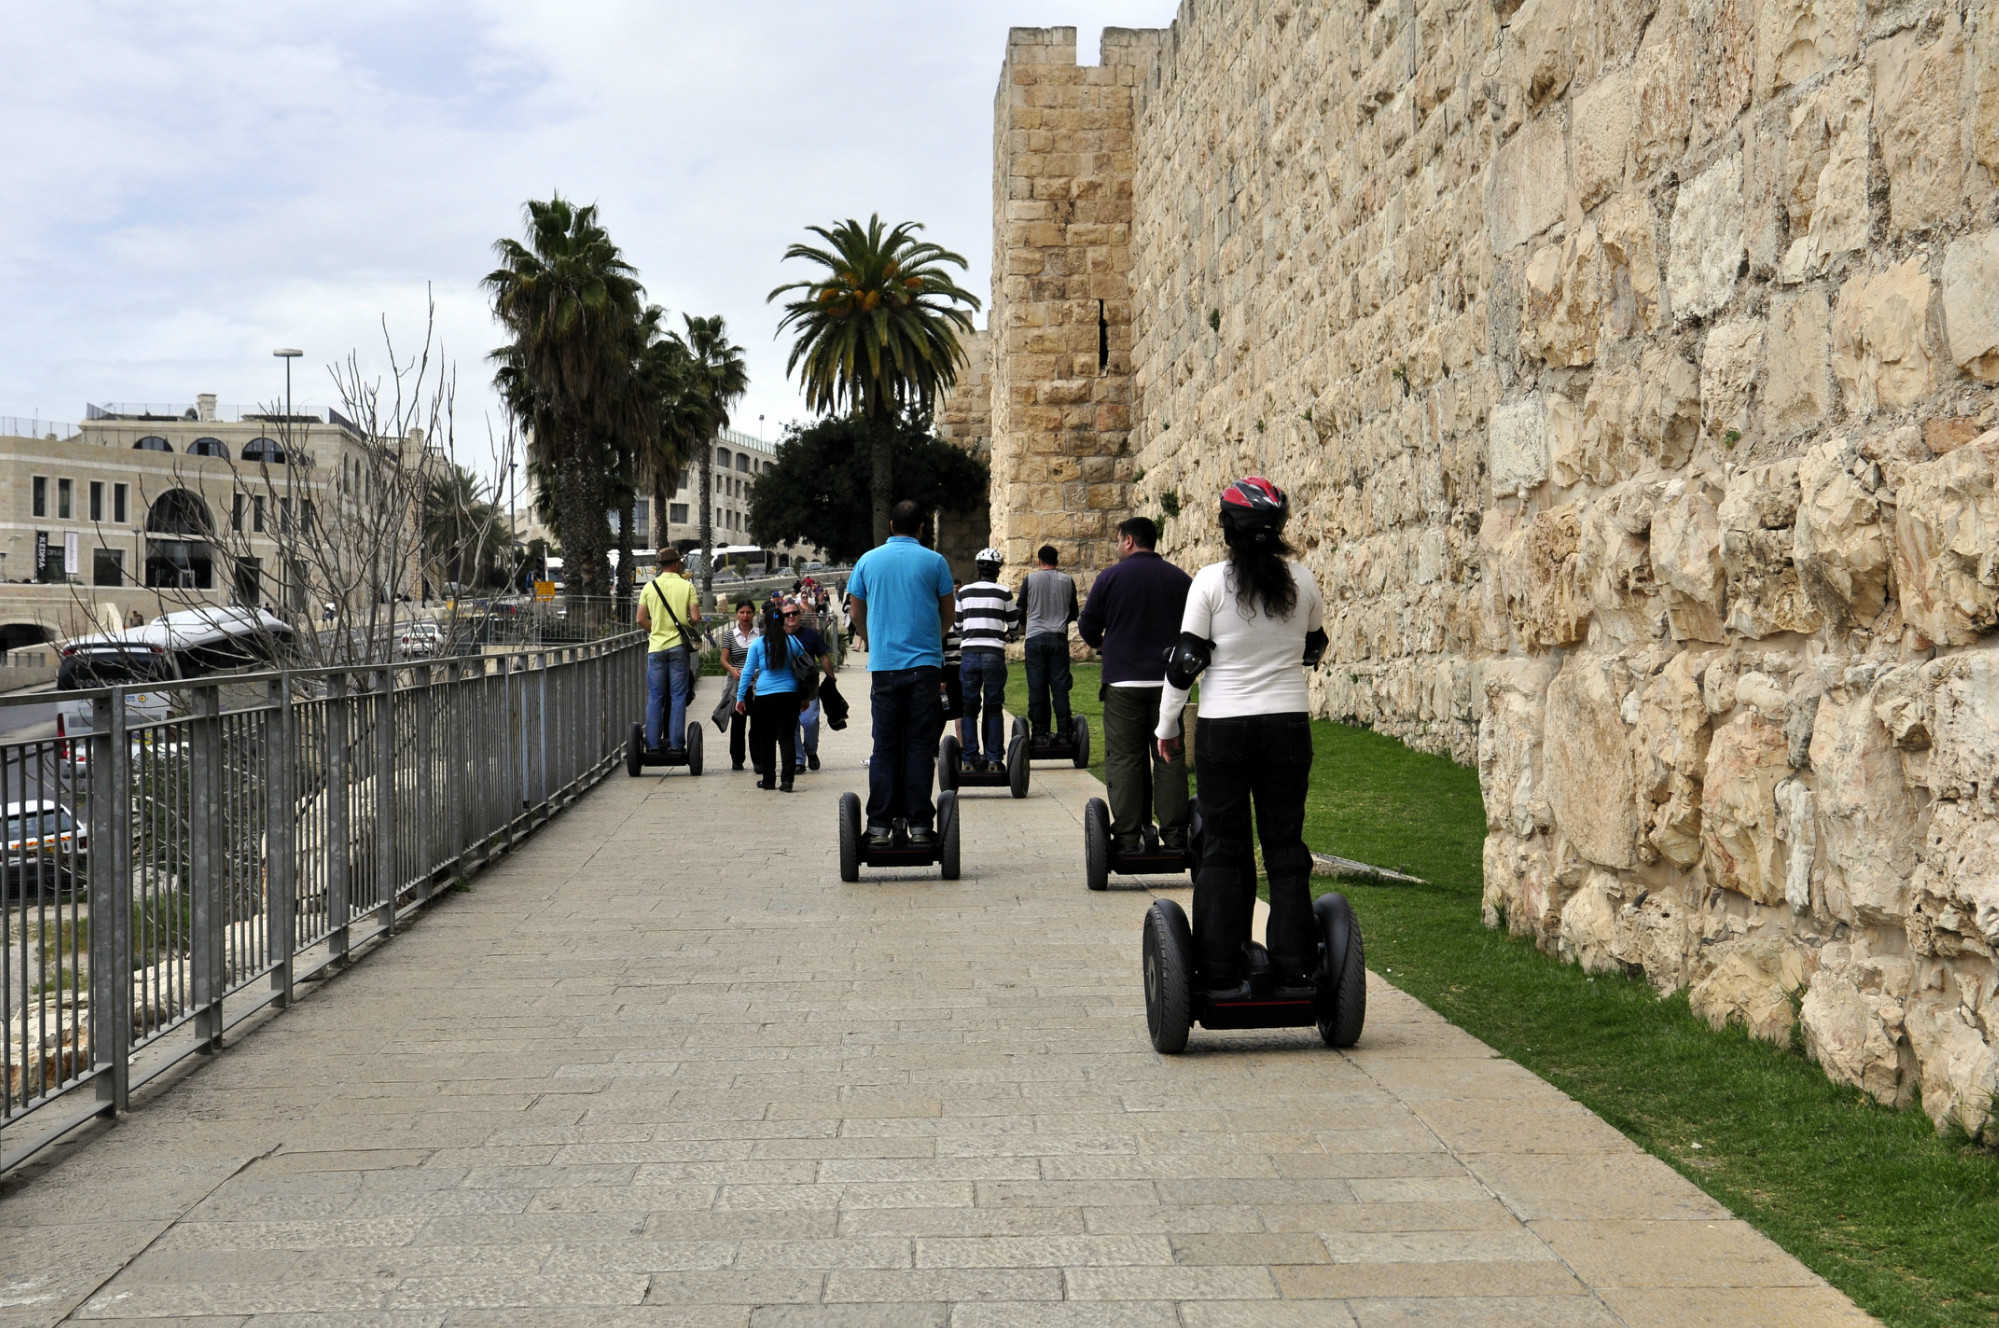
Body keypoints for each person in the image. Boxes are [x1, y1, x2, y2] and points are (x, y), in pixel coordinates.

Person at [1155, 477, 1327, 999]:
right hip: (1288, 726)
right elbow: (1314, 648)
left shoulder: (1208, 582)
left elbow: (1186, 662)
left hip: (1224, 727)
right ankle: (1297, 966)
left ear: (1227, 529)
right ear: (1279, 530)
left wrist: (1166, 726)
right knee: (1285, 846)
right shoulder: (1302, 580)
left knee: (1224, 849)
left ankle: (1220, 968)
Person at [844, 499, 955, 848]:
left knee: (886, 747)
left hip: (885, 667)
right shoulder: (935, 562)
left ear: (891, 525)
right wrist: (927, 641)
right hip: (924, 667)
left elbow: (856, 611)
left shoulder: (868, 561)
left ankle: (878, 825)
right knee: (921, 746)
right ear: (922, 528)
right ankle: (921, 824)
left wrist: (873, 639)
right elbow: (947, 615)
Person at [1078, 516, 1193, 855]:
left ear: (1128, 541)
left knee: (1126, 758)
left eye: (1117, 541)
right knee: (1169, 755)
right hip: (1168, 682)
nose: (1116, 547)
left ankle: (1127, 838)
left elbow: (1087, 627)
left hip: (1123, 681)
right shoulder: (1179, 579)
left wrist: (1104, 646)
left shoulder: (1110, 578)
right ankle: (1175, 837)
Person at [954, 547, 1019, 772]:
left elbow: (957, 626)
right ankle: (993, 759)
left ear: (978, 569)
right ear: (998, 570)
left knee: (969, 707)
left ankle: (969, 759)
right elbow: (1014, 626)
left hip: (970, 654)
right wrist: (1009, 633)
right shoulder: (1004, 593)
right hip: (994, 654)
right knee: (993, 706)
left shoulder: (964, 593)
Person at [636, 546, 703, 755]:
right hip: (677, 648)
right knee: (677, 696)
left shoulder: (649, 587)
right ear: (676, 564)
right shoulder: (687, 586)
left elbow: (640, 619)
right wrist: (684, 625)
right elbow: (696, 618)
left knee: (655, 696)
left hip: (655, 648)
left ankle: (653, 745)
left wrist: (655, 630)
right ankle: (675, 744)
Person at [735, 600, 804, 791]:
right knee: (787, 738)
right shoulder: (792, 642)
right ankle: (788, 780)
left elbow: (748, 672)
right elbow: (806, 666)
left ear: (764, 623)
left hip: (764, 697)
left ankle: (768, 780)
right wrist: (806, 696)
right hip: (790, 695)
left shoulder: (758, 644)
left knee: (766, 739)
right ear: (782, 622)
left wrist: (740, 697)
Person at [1019, 544, 1079, 744]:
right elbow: (1074, 613)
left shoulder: (1030, 580)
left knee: (1037, 686)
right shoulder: (1067, 581)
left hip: (1035, 638)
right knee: (1060, 687)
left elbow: (1020, 609)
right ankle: (1064, 734)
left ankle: (1039, 734)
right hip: (1058, 637)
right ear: (1057, 561)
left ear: (1038, 561)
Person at [785, 598, 837, 774]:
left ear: (800, 615)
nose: (791, 616)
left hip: (808, 687)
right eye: (787, 614)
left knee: (810, 721)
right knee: (790, 725)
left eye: (794, 613)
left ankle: (811, 751)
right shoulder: (777, 636)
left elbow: (823, 656)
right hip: (786, 688)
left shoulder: (811, 634)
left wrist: (831, 679)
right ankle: (799, 760)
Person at [721, 598, 758, 772]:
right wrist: (732, 669)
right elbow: (723, 659)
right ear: (737, 614)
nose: (745, 616)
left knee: (757, 724)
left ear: (753, 614)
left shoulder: (760, 634)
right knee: (738, 724)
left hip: (757, 684)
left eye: (748, 612)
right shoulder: (730, 635)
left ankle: (758, 758)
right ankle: (737, 759)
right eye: (742, 612)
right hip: (737, 685)